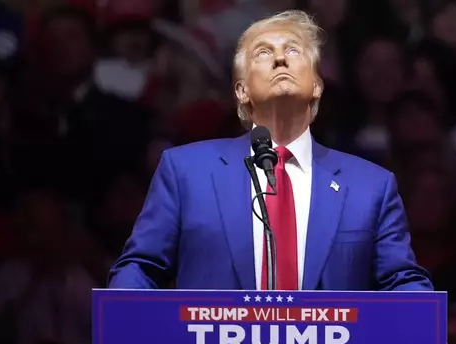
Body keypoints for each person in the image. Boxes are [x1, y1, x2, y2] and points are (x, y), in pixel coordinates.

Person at [108, 10, 433, 292]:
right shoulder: (185, 171)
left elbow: (401, 281)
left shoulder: (371, 187)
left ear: (317, 86)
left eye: (293, 52)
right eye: (264, 53)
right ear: (242, 90)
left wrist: (425, 324)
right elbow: (140, 268)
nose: (281, 60)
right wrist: (122, 321)